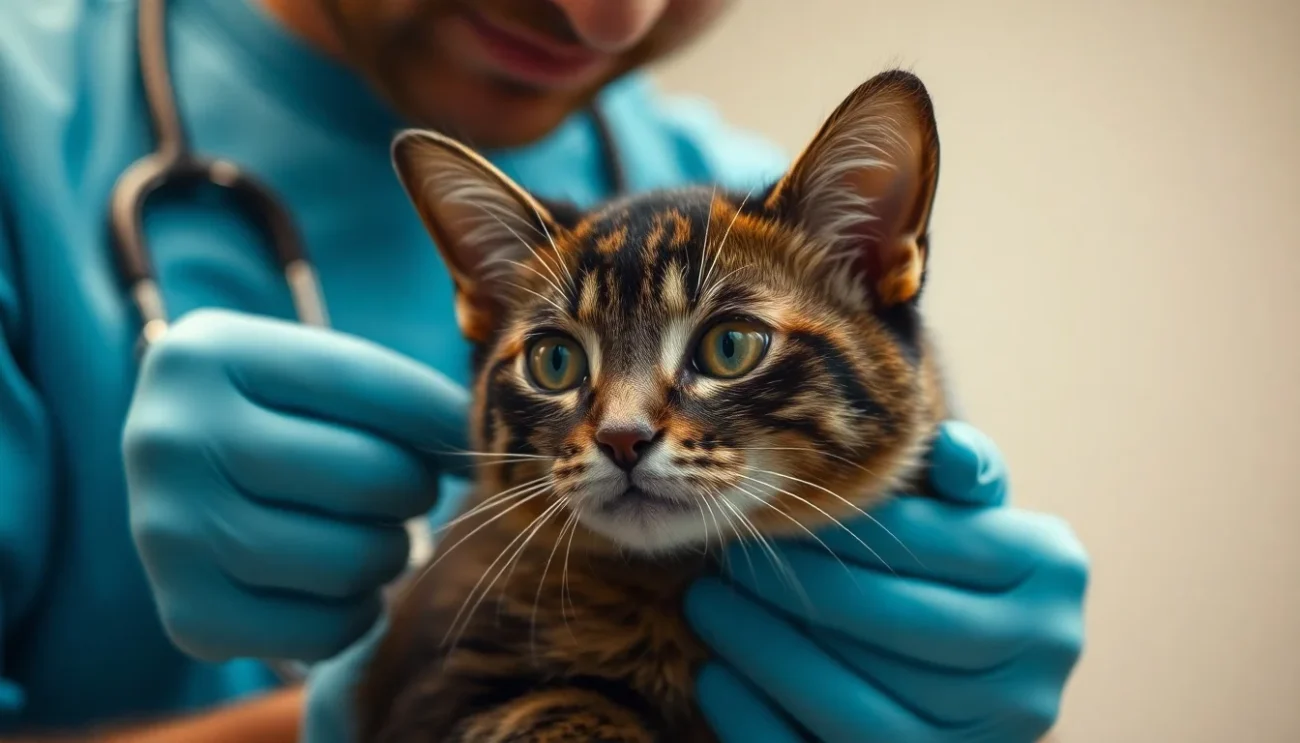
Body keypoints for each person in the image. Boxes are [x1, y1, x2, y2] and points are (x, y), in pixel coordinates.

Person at [0, 0, 1089, 741]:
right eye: (563, 359)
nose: (610, 14)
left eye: (723, 347)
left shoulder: (763, 209)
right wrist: (366, 710)